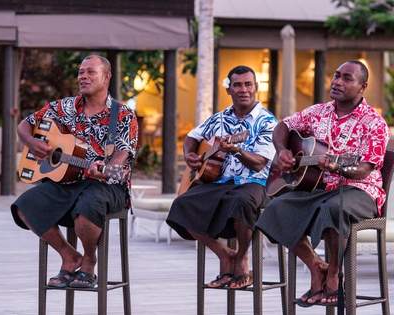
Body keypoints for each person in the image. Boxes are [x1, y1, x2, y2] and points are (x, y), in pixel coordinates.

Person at [256, 60, 390, 306]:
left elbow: (364, 169)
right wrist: (283, 149)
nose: (337, 81)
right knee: (276, 208)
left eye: (347, 78)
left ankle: (334, 277)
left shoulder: (374, 123)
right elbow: (284, 125)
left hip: (360, 192)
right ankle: (316, 266)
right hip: (318, 189)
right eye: (336, 75)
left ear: (363, 87)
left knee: (332, 208)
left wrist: (337, 165)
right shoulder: (318, 112)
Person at [11, 55, 138, 289]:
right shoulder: (64, 106)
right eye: (81, 72)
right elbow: (25, 124)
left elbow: (123, 152)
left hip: (107, 185)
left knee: (88, 206)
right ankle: (69, 255)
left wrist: (109, 168)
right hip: (66, 182)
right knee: (25, 205)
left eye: (91, 72)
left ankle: (89, 261)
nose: (83, 76)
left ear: (107, 76)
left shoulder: (122, 114)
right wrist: (31, 142)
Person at [167, 65, 277, 289]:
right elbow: (192, 137)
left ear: (256, 88)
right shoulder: (219, 118)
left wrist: (236, 150)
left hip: (254, 183)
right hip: (220, 182)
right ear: (229, 90)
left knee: (241, 201)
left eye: (248, 84)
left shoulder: (266, 122)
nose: (243, 89)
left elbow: (259, 164)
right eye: (237, 85)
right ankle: (226, 255)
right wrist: (190, 154)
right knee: (181, 205)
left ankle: (242, 261)